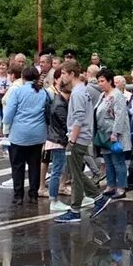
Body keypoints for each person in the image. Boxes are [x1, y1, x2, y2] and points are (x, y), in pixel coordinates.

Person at [54, 60, 111, 223]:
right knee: (77, 172)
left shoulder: (78, 93)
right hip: (82, 137)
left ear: (72, 74)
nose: (62, 77)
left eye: (64, 73)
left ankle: (76, 210)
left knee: (76, 175)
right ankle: (98, 198)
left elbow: (78, 118)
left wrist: (72, 139)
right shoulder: (82, 90)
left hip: (78, 138)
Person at [3, 66, 49, 204]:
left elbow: (9, 114)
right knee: (34, 164)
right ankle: (33, 194)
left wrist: (7, 127)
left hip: (19, 133)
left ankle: (18, 195)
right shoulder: (43, 92)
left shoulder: (17, 92)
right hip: (38, 134)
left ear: (23, 77)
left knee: (17, 165)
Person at [94, 69, 132, 200]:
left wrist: (115, 133)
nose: (100, 84)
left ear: (110, 81)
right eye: (98, 81)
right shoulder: (102, 95)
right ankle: (111, 185)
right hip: (104, 133)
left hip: (115, 133)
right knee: (108, 161)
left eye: (102, 81)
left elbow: (120, 115)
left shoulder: (117, 95)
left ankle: (121, 187)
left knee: (118, 161)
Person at [45, 80, 71, 213]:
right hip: (58, 140)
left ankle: (54, 199)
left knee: (57, 170)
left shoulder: (57, 101)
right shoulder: (60, 104)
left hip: (55, 138)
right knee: (57, 171)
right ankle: (54, 200)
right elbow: (65, 123)